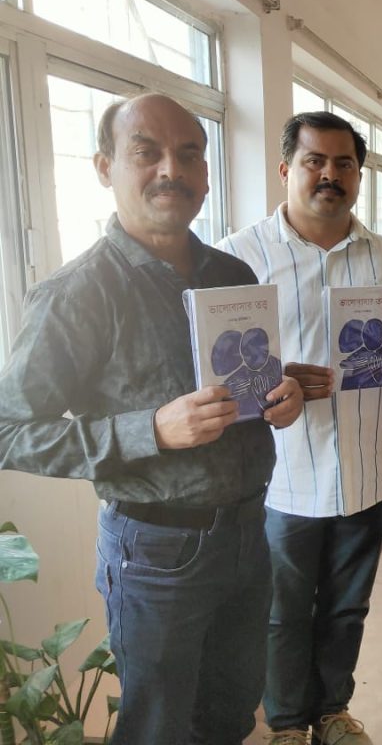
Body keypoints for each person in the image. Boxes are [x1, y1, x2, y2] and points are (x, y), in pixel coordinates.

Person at [0, 93, 304, 744]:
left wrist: (280, 398)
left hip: (249, 531)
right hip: (156, 554)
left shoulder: (232, 274)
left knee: (230, 714)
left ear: (205, 174)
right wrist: (151, 430)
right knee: (156, 729)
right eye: (147, 152)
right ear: (104, 166)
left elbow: (248, 391)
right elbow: (10, 432)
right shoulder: (76, 294)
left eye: (189, 154)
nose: (172, 169)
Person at [218, 111, 382, 745]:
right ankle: (286, 724)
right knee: (281, 612)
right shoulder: (239, 257)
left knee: (347, 605)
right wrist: (271, 380)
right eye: (315, 161)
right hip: (284, 476)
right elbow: (215, 371)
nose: (329, 175)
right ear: (286, 168)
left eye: (344, 164)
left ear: (359, 176)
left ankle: (333, 710)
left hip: (369, 465)